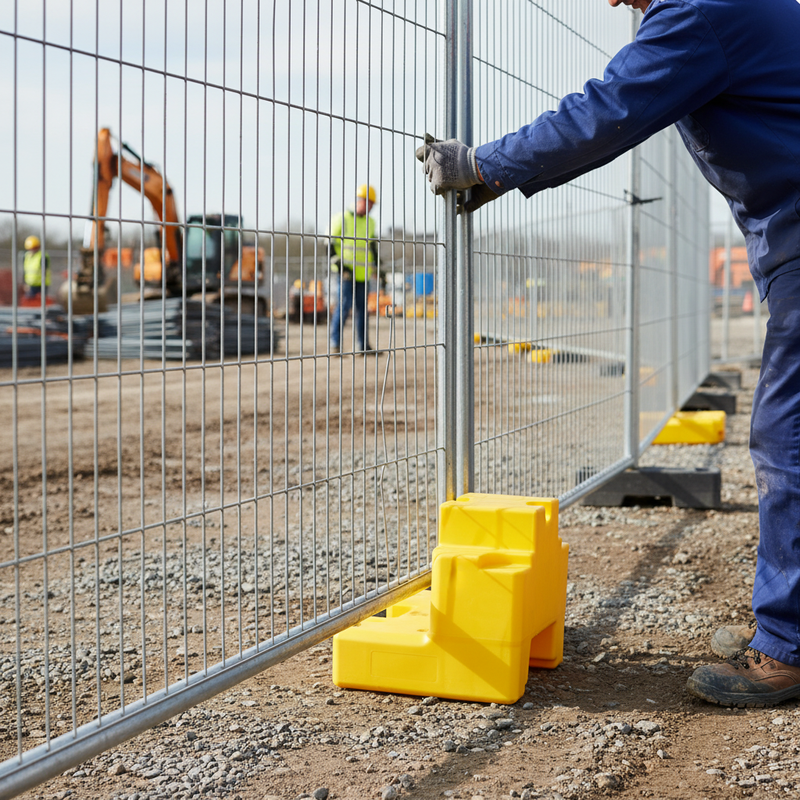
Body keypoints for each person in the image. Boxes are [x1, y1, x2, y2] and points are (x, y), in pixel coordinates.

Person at [417, 0, 800, 708]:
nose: (614, 4)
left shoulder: (701, 9)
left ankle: (788, 648)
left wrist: (484, 164)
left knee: (789, 438)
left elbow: (608, 111)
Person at [328, 184, 379, 354]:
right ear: (360, 201)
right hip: (346, 274)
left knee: (363, 312)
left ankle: (363, 346)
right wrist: (340, 266)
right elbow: (329, 244)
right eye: (369, 203)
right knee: (343, 307)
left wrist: (378, 267)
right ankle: (335, 344)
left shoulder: (371, 222)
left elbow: (372, 247)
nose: (371, 208)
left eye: (372, 205)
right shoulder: (341, 219)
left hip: (363, 274)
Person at [22, 235, 51, 301]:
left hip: (41, 285)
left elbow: (45, 271)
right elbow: (25, 271)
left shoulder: (42, 256)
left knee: (41, 302)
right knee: (30, 302)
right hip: (30, 285)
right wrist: (25, 284)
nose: (32, 249)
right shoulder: (27, 256)